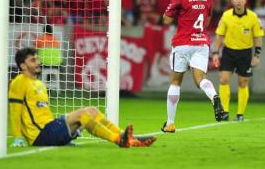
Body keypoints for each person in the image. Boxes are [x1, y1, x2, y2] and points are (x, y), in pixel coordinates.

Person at [9, 47, 156, 147]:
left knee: (92, 110)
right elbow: (15, 112)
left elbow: (41, 112)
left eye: (37, 59)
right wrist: (17, 137)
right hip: (39, 135)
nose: (38, 62)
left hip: (50, 128)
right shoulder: (18, 83)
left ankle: (128, 137)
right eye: (33, 60)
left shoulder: (39, 83)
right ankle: (119, 140)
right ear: (23, 66)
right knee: (83, 115)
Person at [161, 0, 224, 133]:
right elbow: (208, 20)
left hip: (182, 42)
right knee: (200, 79)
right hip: (201, 42)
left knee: (175, 82)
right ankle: (214, 97)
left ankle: (170, 123)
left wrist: (176, 14)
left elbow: (167, 20)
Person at [212, 0, 265, 121]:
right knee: (223, 79)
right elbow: (219, 36)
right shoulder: (226, 16)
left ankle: (240, 114)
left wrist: (257, 55)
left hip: (245, 53)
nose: (238, 1)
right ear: (232, 1)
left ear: (245, 1)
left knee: (243, 83)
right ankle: (224, 112)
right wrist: (215, 53)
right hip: (229, 52)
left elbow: (258, 37)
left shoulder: (253, 17)